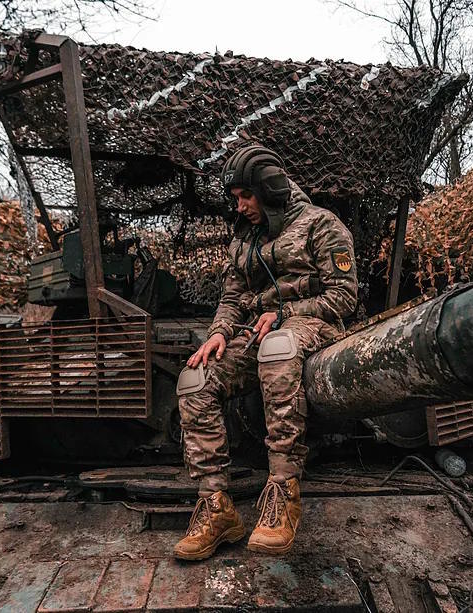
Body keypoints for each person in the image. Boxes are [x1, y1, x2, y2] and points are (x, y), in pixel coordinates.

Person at [173, 144, 358, 560]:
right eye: (235, 199)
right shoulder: (246, 238)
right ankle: (217, 506)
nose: (239, 207)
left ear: (268, 189)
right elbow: (232, 297)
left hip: (314, 323)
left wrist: (284, 312)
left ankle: (283, 492)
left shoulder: (321, 226)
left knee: (277, 348)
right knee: (196, 376)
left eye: (245, 197)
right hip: (258, 328)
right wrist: (218, 333)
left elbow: (343, 298)